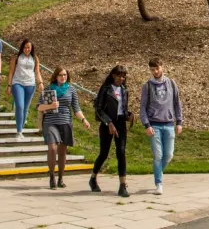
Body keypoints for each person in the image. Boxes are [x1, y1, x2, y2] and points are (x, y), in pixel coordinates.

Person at [38, 66, 90, 190]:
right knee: (52, 148)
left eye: (65, 75)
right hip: (51, 122)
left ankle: (61, 178)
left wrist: (84, 120)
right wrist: (50, 105)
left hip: (65, 122)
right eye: (61, 75)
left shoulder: (71, 90)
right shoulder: (49, 89)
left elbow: (76, 108)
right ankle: (52, 176)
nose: (63, 77)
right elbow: (39, 107)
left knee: (62, 152)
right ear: (56, 76)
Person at [140, 57, 183, 196]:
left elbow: (177, 103)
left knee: (169, 155)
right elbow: (142, 108)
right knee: (158, 155)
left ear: (162, 67)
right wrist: (146, 124)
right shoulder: (147, 86)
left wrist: (179, 121)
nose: (155, 71)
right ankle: (159, 183)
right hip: (154, 125)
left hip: (169, 124)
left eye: (157, 68)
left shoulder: (171, 83)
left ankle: (158, 172)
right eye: (152, 69)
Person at [90, 64, 131, 197]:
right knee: (104, 153)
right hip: (107, 123)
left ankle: (123, 185)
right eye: (119, 75)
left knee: (121, 152)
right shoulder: (106, 88)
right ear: (113, 75)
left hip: (120, 123)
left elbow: (123, 109)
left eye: (123, 76)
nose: (121, 78)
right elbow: (99, 108)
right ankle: (93, 177)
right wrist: (108, 122)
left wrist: (129, 115)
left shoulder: (124, 90)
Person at [6, 39, 44, 140]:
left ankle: (21, 129)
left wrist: (40, 83)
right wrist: (9, 86)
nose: (27, 49)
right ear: (22, 47)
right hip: (18, 83)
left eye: (29, 48)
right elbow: (11, 72)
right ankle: (18, 132)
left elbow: (37, 72)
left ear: (31, 49)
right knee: (20, 106)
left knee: (26, 108)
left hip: (30, 85)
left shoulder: (34, 58)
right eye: (25, 47)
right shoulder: (16, 57)